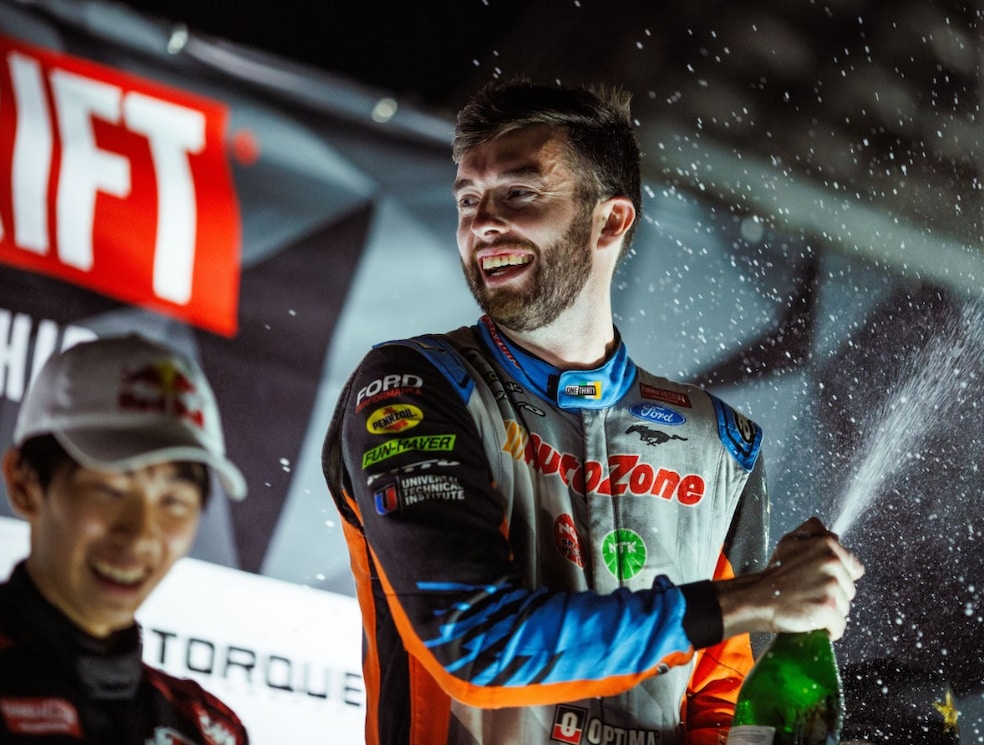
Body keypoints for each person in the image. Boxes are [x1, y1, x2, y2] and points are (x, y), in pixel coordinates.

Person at [322, 80, 865, 744]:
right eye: (468, 199)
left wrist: (797, 624)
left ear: (611, 220)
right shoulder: (413, 386)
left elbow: (718, 708)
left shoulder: (722, 447)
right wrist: (753, 601)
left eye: (519, 193)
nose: (482, 221)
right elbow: (476, 646)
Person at [0, 334, 250, 744]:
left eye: (173, 501)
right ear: (24, 483)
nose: (139, 536)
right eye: (110, 490)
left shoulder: (205, 729)